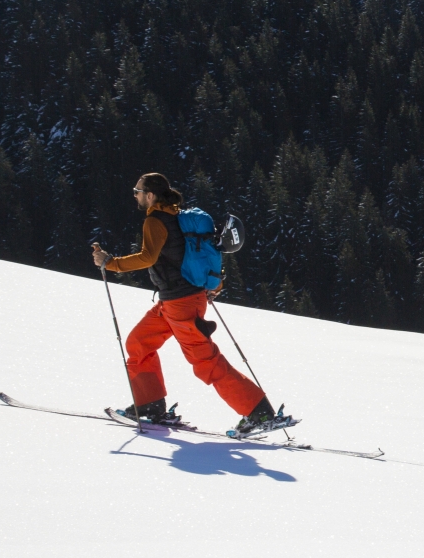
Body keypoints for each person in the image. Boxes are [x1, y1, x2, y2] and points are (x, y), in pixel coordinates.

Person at [90, 172, 284, 437]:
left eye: (137, 190)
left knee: (205, 360)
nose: (135, 195)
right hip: (176, 301)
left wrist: (109, 263)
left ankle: (259, 413)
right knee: (139, 342)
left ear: (150, 195)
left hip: (181, 303)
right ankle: (150, 406)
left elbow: (147, 258)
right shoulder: (177, 216)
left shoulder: (156, 221)